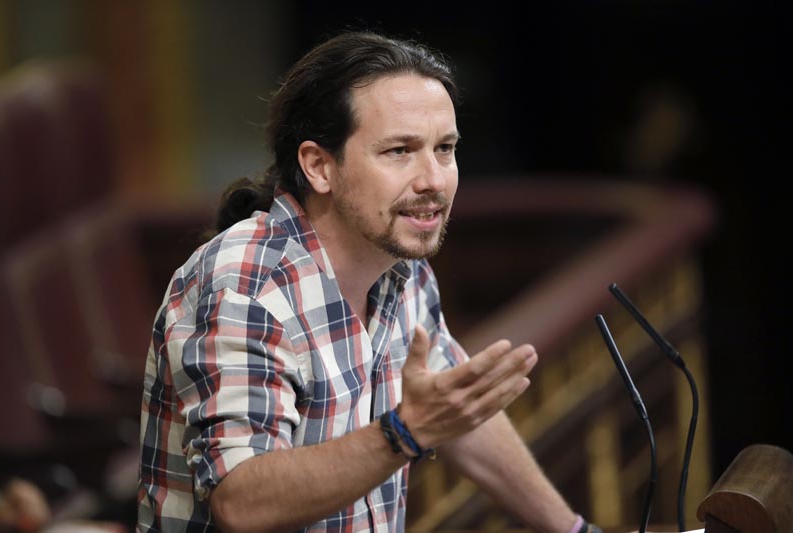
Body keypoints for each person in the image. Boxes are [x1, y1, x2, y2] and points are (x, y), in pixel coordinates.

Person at [137, 30, 601, 533]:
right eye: (400, 151)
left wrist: (575, 530)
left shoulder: (401, 263)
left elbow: (462, 418)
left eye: (444, 149)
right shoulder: (245, 285)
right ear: (319, 166)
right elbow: (242, 500)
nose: (433, 180)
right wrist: (403, 433)